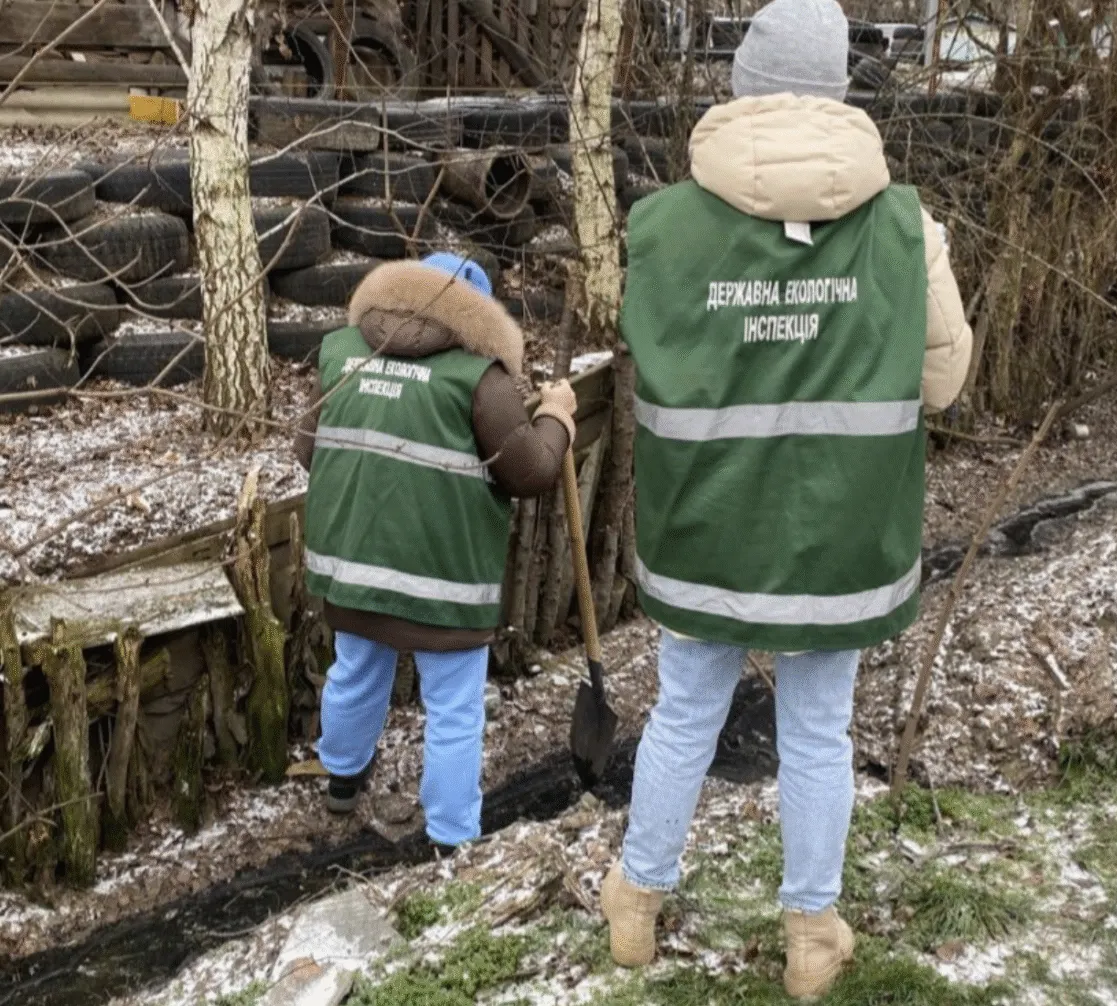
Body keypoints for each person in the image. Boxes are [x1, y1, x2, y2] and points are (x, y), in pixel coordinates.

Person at [602, 0, 973, 996]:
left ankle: (636, 906)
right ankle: (813, 935)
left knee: (685, 714)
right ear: (843, 90)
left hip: (708, 526)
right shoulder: (908, 229)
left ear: (741, 84)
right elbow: (945, 383)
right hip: (839, 534)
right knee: (817, 731)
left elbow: (656, 347)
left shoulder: (663, 227)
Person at [293, 253, 578, 850]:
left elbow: (307, 450)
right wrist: (557, 417)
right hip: (442, 581)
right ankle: (452, 839)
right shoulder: (481, 379)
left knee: (355, 671)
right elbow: (530, 471)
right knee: (452, 709)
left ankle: (342, 780)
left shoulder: (344, 353)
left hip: (354, 567)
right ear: (475, 314)